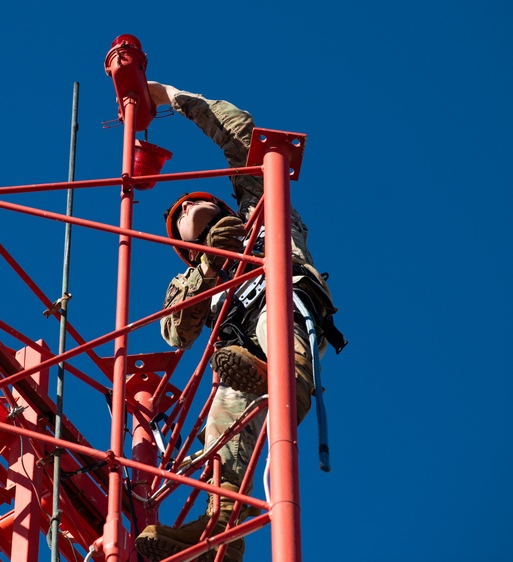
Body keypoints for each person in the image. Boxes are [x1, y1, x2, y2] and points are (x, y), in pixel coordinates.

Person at [134, 83, 346, 562]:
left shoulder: (261, 214)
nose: (187, 206)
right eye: (179, 213)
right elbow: (175, 331)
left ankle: (290, 379)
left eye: (194, 200)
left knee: (275, 315)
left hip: (285, 305)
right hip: (242, 348)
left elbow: (244, 138)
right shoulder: (190, 280)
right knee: (218, 427)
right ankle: (221, 528)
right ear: (184, 248)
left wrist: (170, 97)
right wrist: (208, 270)